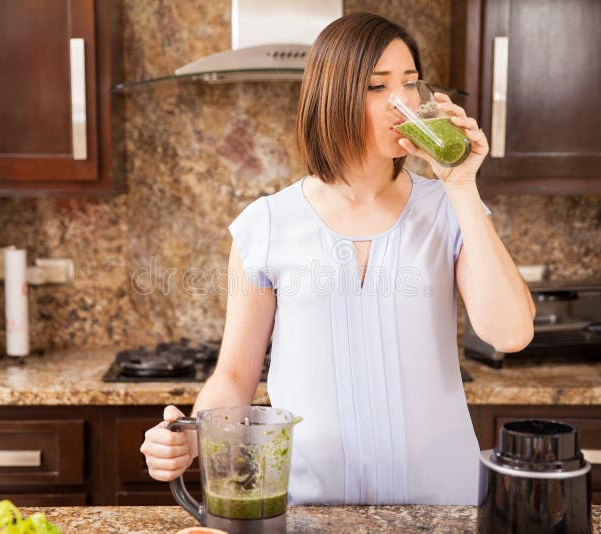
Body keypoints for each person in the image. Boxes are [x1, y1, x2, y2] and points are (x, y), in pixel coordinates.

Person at [140, 12, 535, 505]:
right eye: (377, 86)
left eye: (411, 83)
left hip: (442, 506)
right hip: (310, 508)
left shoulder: (450, 209)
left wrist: (461, 185)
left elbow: (511, 334)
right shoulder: (267, 224)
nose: (403, 102)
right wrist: (192, 436)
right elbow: (235, 377)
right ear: (334, 99)